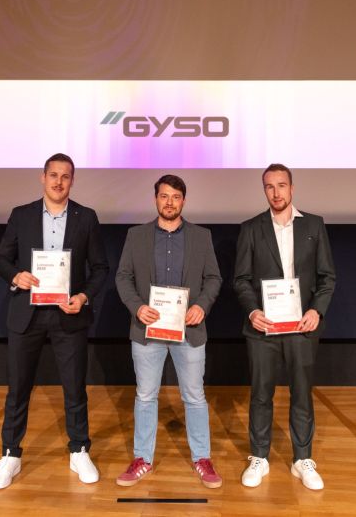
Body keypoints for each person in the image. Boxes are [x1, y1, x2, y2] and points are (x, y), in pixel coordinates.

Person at [0, 153, 109, 489]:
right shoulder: (22, 215)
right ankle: (11, 454)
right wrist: (16, 276)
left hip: (69, 314)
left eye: (65, 176)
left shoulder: (86, 217)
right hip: (26, 314)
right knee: (18, 389)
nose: (59, 182)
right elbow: (1, 259)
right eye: (53, 175)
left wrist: (83, 297)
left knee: (74, 388)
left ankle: (79, 449)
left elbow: (100, 268)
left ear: (72, 181)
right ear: (43, 178)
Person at [114, 174, 224, 488]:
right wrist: (137, 307)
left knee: (194, 397)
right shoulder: (136, 236)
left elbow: (213, 278)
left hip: (189, 330)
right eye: (164, 196)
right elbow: (123, 277)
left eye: (176, 197)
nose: (169, 202)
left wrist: (202, 305)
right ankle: (142, 458)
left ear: (183, 201)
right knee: (146, 396)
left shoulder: (202, 236)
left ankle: (202, 458)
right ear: (156, 199)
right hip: (147, 330)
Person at [234, 163, 336, 490]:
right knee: (261, 394)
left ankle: (302, 459)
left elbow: (327, 278)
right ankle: (259, 457)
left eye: (281, 185)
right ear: (264, 190)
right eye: (269, 186)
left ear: (292, 188)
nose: (276, 192)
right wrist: (252, 311)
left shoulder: (314, 225)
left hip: (301, 327)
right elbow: (241, 280)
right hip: (263, 328)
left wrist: (316, 311)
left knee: (301, 394)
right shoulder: (251, 228)